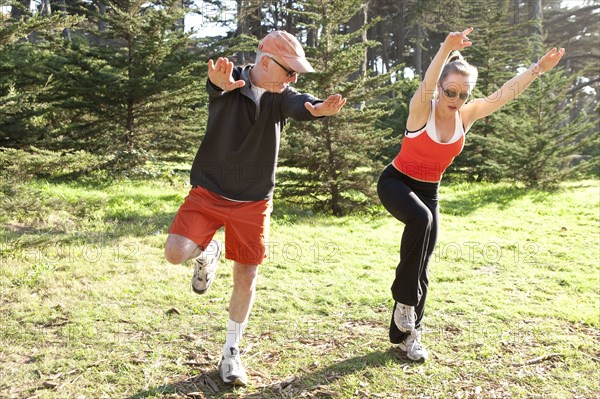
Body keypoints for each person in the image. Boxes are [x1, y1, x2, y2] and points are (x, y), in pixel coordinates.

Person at [164, 30, 346, 386]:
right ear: (265, 63)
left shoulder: (282, 97)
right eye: (289, 71)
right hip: (209, 190)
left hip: (253, 200)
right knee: (174, 253)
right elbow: (217, 87)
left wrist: (317, 108)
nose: (293, 79)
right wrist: (214, 83)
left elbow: (299, 103)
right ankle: (208, 251)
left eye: (296, 74)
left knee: (246, 274)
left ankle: (231, 352)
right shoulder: (230, 84)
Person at [377, 27, 564, 362]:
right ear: (440, 87)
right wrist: (446, 48)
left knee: (422, 264)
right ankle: (403, 302)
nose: (456, 99)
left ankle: (407, 335)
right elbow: (426, 82)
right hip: (397, 182)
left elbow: (505, 94)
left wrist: (537, 68)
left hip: (429, 190)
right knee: (421, 219)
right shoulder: (422, 109)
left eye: (463, 95)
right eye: (450, 91)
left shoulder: (467, 115)